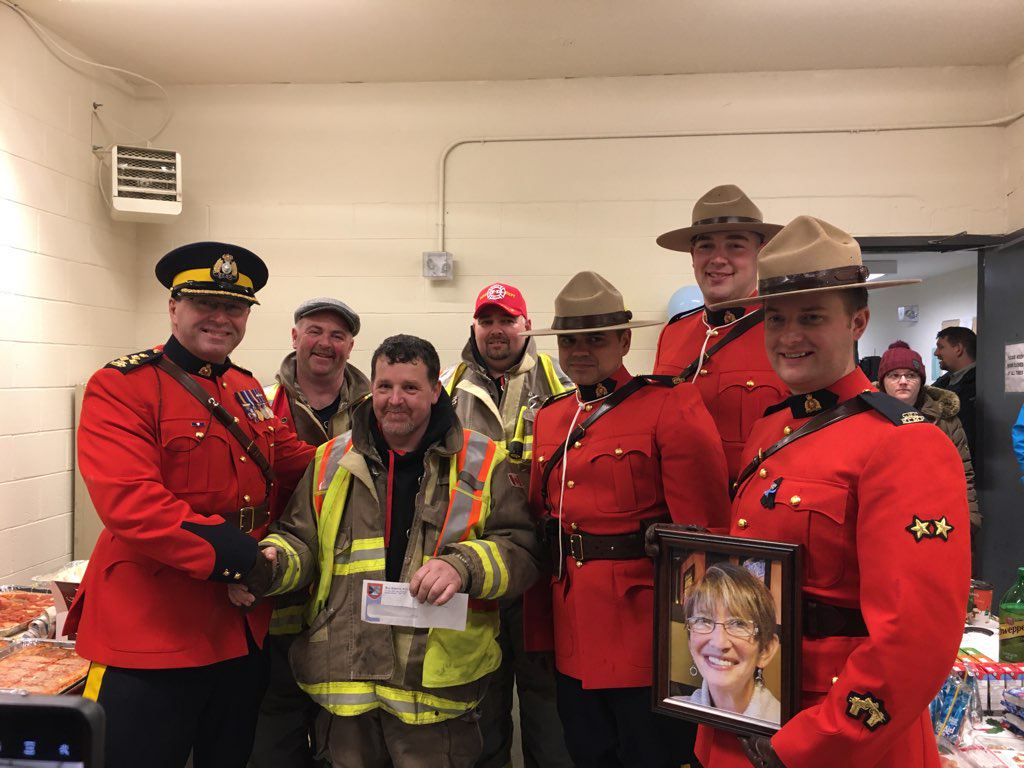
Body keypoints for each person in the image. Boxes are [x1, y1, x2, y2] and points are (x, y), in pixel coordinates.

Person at [697, 216, 971, 768]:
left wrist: (808, 745)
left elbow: (915, 641)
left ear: (858, 322)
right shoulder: (770, 429)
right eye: (776, 319)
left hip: (838, 733)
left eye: (813, 317)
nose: (789, 336)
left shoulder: (905, 445)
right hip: (748, 704)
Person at [232, 334, 541, 768]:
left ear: (436, 391)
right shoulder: (330, 459)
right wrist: (271, 562)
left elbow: (521, 550)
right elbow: (299, 539)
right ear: (370, 388)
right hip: (346, 689)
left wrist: (464, 565)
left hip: (434, 697)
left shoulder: (483, 459)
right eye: (384, 387)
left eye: (410, 388)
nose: (395, 400)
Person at [69, 242, 316, 768]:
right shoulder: (122, 387)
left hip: (239, 631)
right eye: (205, 303)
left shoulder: (247, 389)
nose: (220, 317)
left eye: (234, 307)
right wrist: (245, 559)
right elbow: (132, 502)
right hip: (152, 631)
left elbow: (293, 462)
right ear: (174, 307)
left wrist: (377, 448)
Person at [521, 271, 731, 767]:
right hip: (572, 627)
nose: (579, 351)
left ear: (624, 339)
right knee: (588, 752)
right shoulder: (551, 416)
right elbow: (542, 523)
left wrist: (697, 642)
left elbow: (704, 533)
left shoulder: (668, 405)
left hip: (646, 630)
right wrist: (541, 633)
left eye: (595, 338)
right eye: (569, 340)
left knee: (652, 756)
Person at [440, 283, 574, 768]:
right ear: (474, 326)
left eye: (507, 320)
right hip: (474, 565)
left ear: (526, 324)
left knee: (545, 695)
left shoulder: (564, 384)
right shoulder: (446, 386)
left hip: (545, 566)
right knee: (481, 694)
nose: (496, 331)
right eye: (487, 320)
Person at [252, 297, 371, 768]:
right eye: (315, 331)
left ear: (351, 346)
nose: (326, 343)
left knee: (344, 739)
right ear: (294, 336)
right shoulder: (257, 405)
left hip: (351, 601)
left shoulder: (378, 408)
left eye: (338, 335)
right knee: (273, 731)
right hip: (277, 595)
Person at [653, 184, 788, 483]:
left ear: (760, 252)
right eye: (705, 246)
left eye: (735, 245)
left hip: (748, 515)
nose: (717, 258)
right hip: (676, 518)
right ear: (692, 255)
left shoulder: (786, 333)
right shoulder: (673, 334)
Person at [877, 341, 979, 533]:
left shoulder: (945, 419)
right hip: (884, 518)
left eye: (911, 375)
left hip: (937, 519)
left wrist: (970, 520)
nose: (903, 381)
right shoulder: (867, 418)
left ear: (921, 380)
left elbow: (964, 472)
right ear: (883, 381)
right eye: (894, 375)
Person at [680, 563, 780, 724]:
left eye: (739, 624)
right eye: (703, 620)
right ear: (690, 641)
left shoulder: (785, 727)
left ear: (766, 650)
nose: (719, 643)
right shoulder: (674, 715)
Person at [933, 326, 978, 461]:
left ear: (958, 349)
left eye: (941, 347)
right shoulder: (943, 383)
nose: (936, 353)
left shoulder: (980, 385)